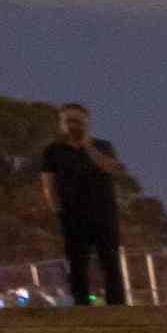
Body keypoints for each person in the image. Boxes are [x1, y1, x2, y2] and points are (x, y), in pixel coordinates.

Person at [38, 104, 130, 306]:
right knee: (77, 264)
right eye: (67, 120)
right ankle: (81, 307)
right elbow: (48, 182)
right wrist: (56, 209)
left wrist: (87, 146)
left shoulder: (103, 146)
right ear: (61, 123)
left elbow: (113, 168)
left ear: (86, 123)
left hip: (104, 214)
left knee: (110, 262)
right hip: (72, 215)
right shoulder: (52, 150)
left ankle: (118, 308)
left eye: (77, 120)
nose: (72, 125)